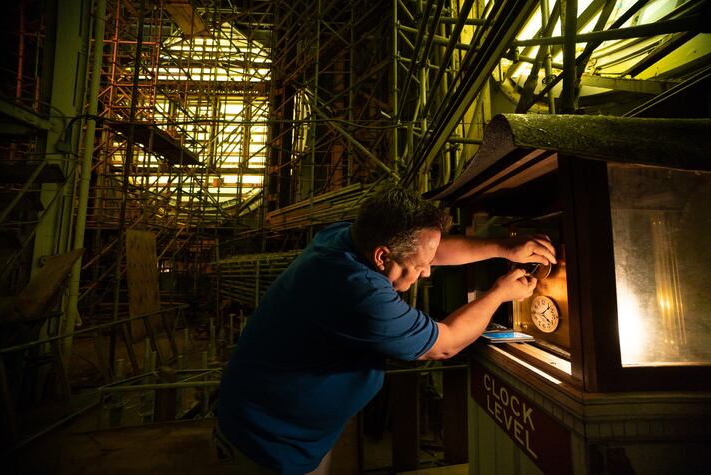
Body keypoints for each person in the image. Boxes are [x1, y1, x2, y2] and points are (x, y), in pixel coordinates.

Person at [214, 184, 556, 474]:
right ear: (382, 257)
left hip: (291, 429)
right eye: (419, 267)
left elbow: (429, 251)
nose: (426, 272)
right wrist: (500, 293)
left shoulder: (346, 238)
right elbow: (445, 344)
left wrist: (503, 247)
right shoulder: (360, 294)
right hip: (268, 444)